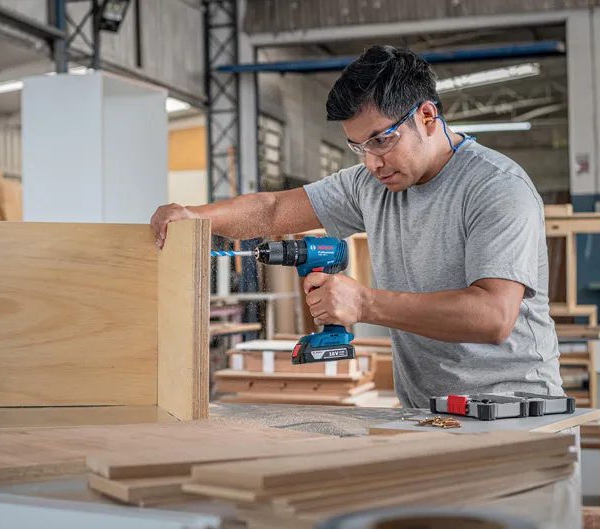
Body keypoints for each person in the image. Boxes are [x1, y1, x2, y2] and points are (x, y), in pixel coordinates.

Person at [150, 44, 563, 409]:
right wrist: (196, 217)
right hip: (428, 415)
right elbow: (274, 209)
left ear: (427, 116)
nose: (371, 162)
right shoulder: (371, 185)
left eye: (382, 139)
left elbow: (493, 316)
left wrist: (364, 303)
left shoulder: (496, 187)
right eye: (358, 147)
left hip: (515, 413)